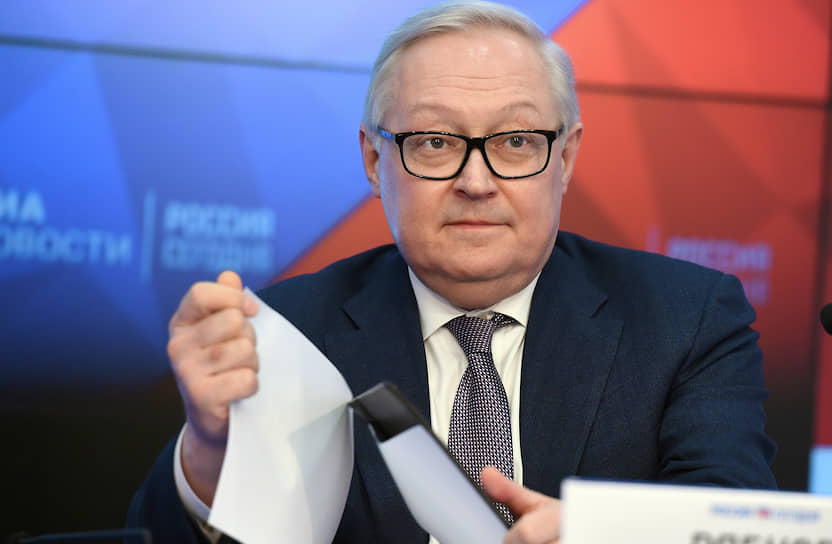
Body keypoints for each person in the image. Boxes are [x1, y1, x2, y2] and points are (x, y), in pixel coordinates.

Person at [127, 1, 777, 542]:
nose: (476, 181)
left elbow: (730, 521)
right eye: (435, 142)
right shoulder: (288, 333)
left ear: (566, 157)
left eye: (516, 142)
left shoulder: (686, 320)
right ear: (374, 161)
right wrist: (211, 453)